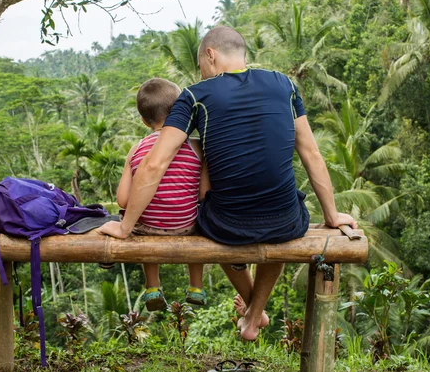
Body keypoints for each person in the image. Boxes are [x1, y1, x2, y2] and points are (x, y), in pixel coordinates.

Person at [97, 26, 357, 340]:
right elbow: (311, 153)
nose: (201, 72)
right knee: (280, 225)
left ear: (210, 54)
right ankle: (252, 316)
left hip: (226, 226)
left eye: (200, 65)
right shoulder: (285, 85)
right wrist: (331, 215)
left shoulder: (195, 96)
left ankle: (253, 313)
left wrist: (126, 227)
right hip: (287, 222)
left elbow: (155, 163)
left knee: (209, 223)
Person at [97, 78, 211, 312]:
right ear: (180, 110)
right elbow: (203, 194)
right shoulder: (195, 146)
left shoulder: (137, 149)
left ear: (143, 119)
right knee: (201, 217)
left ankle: (152, 288)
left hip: (147, 227)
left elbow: (124, 200)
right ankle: (196, 287)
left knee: (138, 219)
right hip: (186, 226)